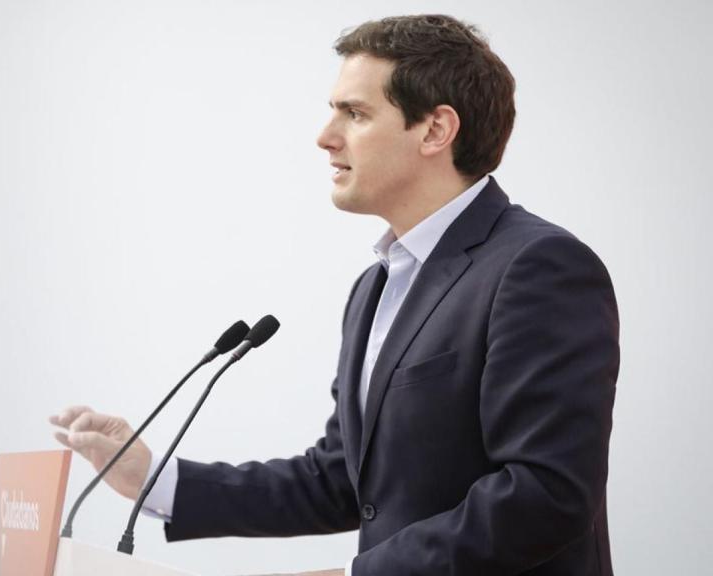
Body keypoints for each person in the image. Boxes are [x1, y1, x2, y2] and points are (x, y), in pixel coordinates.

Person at [51, 14, 619, 576]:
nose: (325, 137)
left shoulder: (538, 267)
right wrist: (150, 476)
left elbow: (546, 493)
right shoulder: (375, 286)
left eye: (355, 113)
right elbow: (340, 479)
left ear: (435, 130)